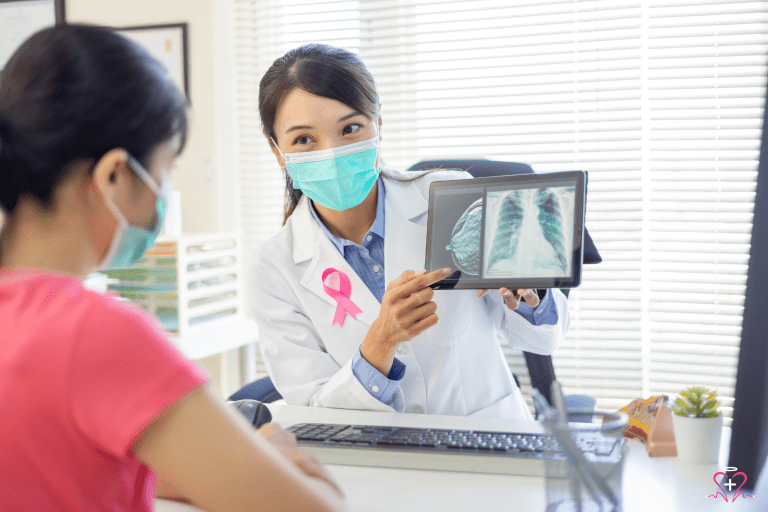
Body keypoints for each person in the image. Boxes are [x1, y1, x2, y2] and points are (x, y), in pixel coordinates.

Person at [0, 25, 345, 512]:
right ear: (115, 175)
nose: (163, 196)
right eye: (163, 172)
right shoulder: (96, 334)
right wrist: (282, 462)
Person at [249, 43, 570, 420]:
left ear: (378, 127)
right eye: (304, 139)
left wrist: (533, 294)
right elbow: (315, 411)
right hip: (379, 463)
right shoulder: (273, 266)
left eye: (350, 128)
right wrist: (380, 342)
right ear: (276, 150)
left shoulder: (451, 199)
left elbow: (543, 338)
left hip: (490, 441)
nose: (332, 152)